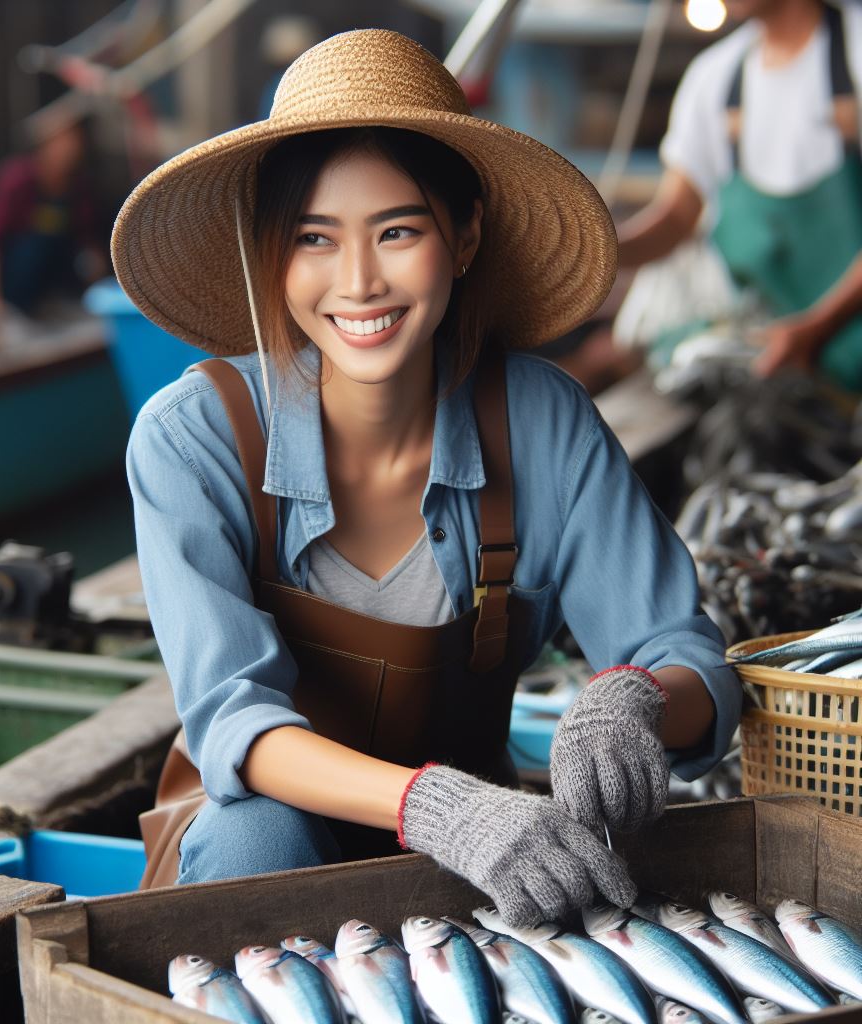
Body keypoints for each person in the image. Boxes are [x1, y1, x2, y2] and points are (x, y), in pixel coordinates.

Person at [116, 29, 740, 926]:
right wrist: (439, 808)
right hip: (279, 843)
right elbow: (233, 723)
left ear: (466, 235)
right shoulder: (194, 438)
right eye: (315, 238)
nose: (359, 281)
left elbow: (685, 657)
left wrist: (632, 700)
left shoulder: (542, 419)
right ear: (273, 255)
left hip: (494, 851)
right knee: (261, 832)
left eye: (398, 231)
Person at [617, 0, 862, 389]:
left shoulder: (855, 50)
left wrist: (817, 328)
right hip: (784, 347)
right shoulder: (714, 78)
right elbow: (677, 216)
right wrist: (600, 251)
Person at [0, 115, 107, 319]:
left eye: (73, 139)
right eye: (61, 140)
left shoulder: (78, 186)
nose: (69, 148)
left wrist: (99, 292)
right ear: (43, 143)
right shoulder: (14, 180)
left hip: (57, 293)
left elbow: (88, 244)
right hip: (11, 286)